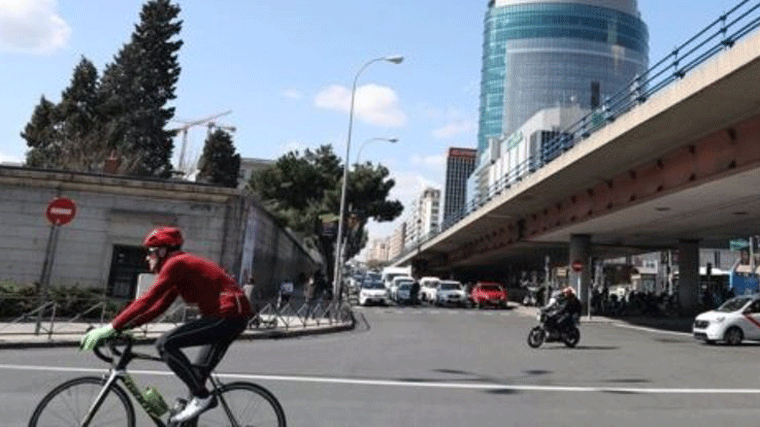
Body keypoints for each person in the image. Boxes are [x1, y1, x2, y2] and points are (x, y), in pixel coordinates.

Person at [79, 226, 252, 423]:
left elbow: (148, 299)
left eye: (150, 252)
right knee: (196, 376)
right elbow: (157, 308)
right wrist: (123, 327)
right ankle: (197, 403)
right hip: (228, 316)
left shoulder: (176, 263)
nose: (147, 258)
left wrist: (111, 327)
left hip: (228, 315)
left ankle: (203, 398)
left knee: (165, 343)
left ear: (163, 251)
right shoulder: (179, 268)